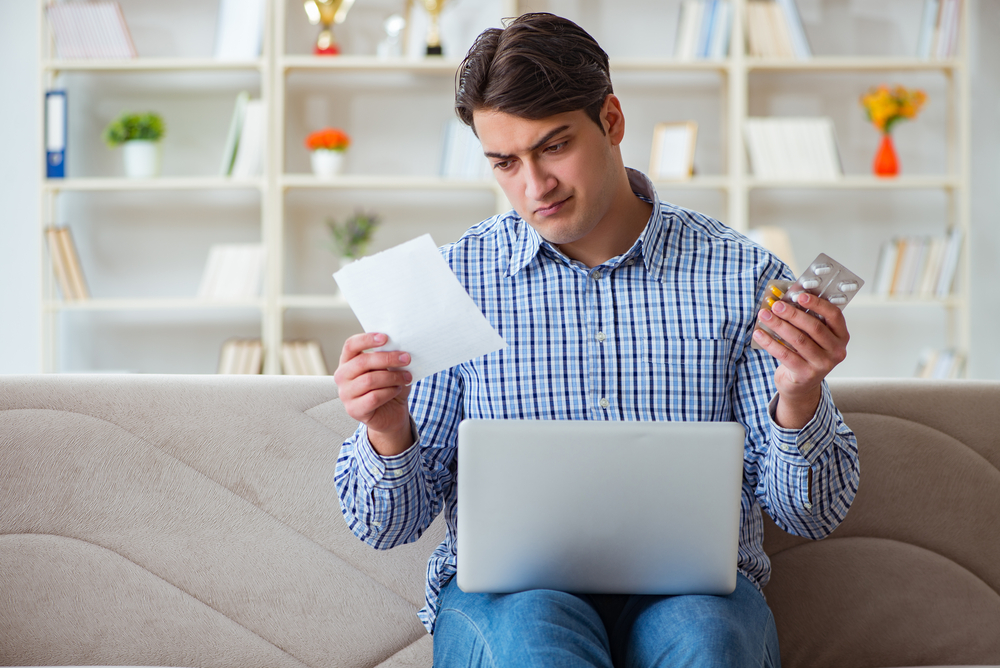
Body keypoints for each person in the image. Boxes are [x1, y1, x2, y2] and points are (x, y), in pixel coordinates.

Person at [333, 12, 859, 668]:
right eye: (505, 162)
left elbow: (813, 516)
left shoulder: (743, 278)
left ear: (611, 121)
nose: (534, 186)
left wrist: (800, 398)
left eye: (553, 147)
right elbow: (386, 526)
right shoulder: (455, 282)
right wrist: (387, 428)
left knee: (707, 637)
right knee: (534, 634)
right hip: (505, 602)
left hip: (696, 601)